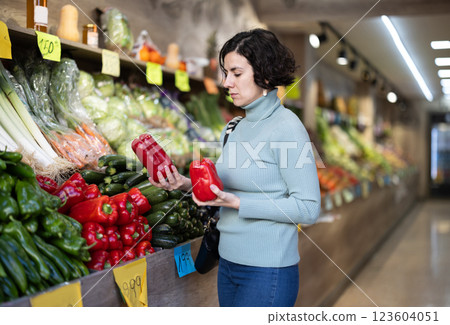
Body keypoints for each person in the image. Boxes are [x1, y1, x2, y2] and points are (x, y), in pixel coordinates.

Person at [149, 28, 321, 307]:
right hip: (227, 265)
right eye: (225, 73)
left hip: (268, 272)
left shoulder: (288, 127)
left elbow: (308, 208)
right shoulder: (234, 128)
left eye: (236, 73)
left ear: (264, 75)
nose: (226, 82)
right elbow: (220, 189)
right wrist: (181, 183)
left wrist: (239, 203)